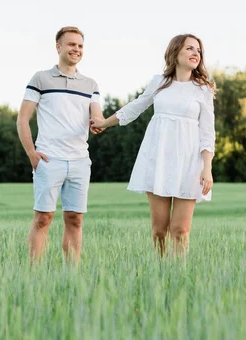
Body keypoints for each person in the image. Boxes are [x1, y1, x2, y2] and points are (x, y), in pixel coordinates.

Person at [90, 34, 215, 257]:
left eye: (198, 50)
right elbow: (135, 107)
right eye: (189, 48)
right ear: (175, 53)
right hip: (158, 158)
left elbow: (207, 131)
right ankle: (159, 272)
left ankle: (178, 277)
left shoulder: (203, 90)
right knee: (159, 230)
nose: (196, 53)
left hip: (189, 162)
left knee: (181, 230)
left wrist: (207, 167)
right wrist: (104, 123)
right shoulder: (159, 83)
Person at [17, 26, 104, 265]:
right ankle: (34, 274)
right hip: (49, 159)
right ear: (59, 47)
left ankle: (71, 275)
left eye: (80, 45)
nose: (76, 49)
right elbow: (23, 118)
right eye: (71, 44)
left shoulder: (91, 84)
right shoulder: (41, 79)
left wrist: (99, 123)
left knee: (75, 219)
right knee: (43, 218)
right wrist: (31, 154)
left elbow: (96, 115)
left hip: (79, 161)